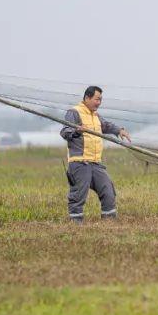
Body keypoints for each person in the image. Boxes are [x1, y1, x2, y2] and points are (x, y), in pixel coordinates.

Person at [60, 85, 131, 223]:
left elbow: (106, 125)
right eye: (96, 99)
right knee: (78, 195)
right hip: (80, 162)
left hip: (95, 163)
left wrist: (119, 130)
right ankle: (75, 225)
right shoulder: (74, 112)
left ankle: (109, 223)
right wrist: (77, 131)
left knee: (108, 191)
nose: (98, 103)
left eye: (100, 100)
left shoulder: (95, 115)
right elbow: (64, 132)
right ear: (87, 98)